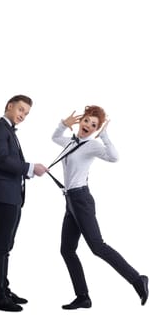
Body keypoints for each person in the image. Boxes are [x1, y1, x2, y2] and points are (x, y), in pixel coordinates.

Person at [51, 106, 149, 310]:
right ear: (81, 121)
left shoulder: (92, 145)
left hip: (81, 199)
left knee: (97, 246)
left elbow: (114, 157)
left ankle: (137, 279)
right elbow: (54, 137)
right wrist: (63, 124)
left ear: (96, 129)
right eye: (86, 121)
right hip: (70, 201)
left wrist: (104, 136)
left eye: (94, 125)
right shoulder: (70, 142)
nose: (88, 125)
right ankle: (83, 297)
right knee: (67, 250)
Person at [0, 95, 47, 312]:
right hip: (3, 195)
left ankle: (3, 289)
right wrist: (30, 168)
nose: (23, 115)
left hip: (12, 196)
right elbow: (1, 159)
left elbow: (10, 161)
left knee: (6, 246)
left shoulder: (9, 131)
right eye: (21, 109)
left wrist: (29, 171)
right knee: (1, 246)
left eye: (26, 113)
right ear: (9, 106)